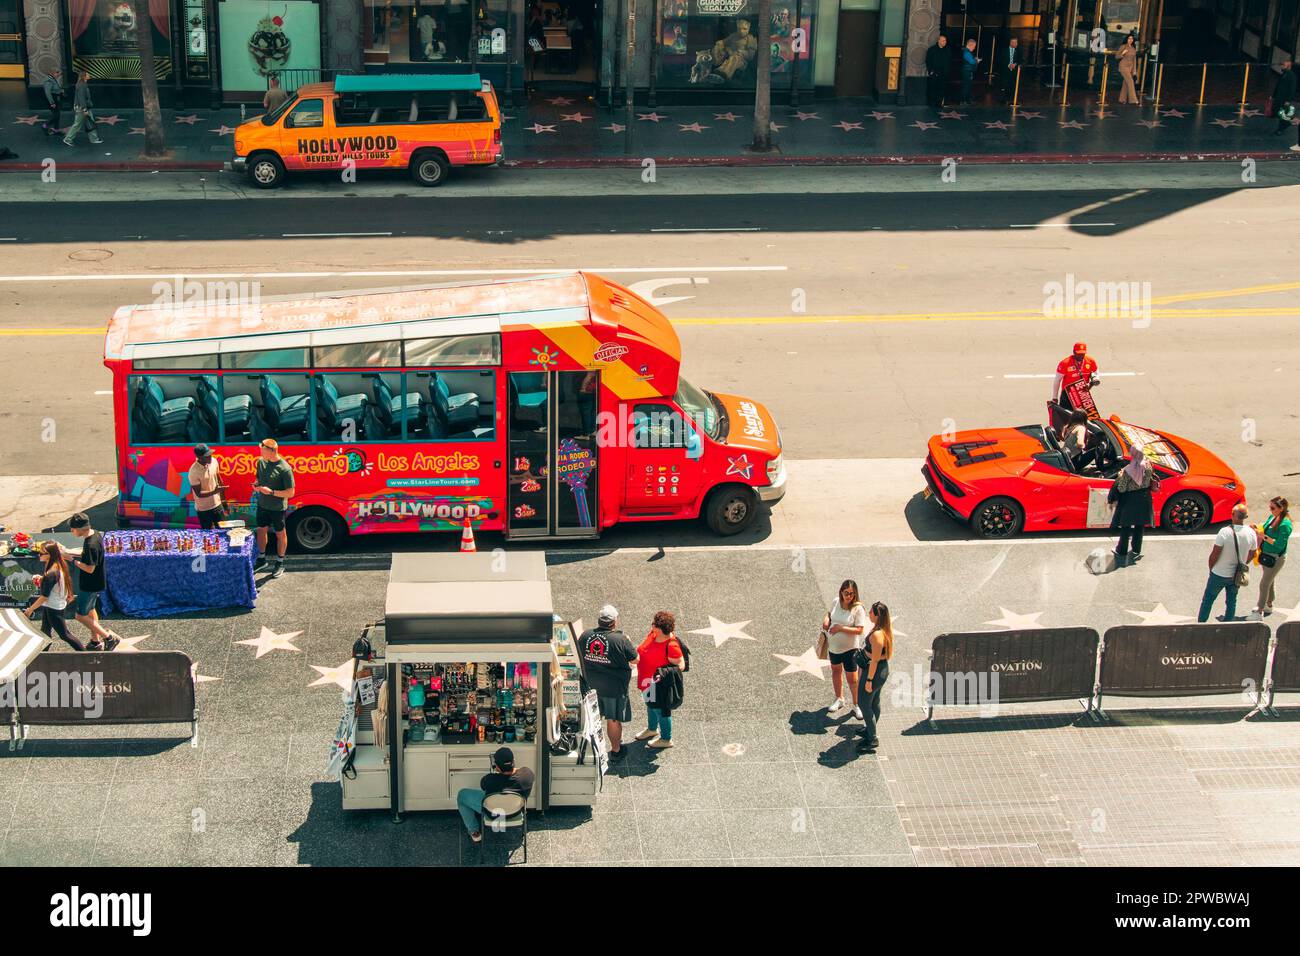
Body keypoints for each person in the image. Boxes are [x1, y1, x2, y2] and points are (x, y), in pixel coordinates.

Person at [577, 605, 637, 761]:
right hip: (614, 687)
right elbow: (635, 659)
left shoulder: (585, 636)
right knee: (613, 720)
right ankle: (616, 750)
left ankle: (590, 752)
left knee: (591, 720)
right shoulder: (620, 639)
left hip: (590, 686)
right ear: (614, 622)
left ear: (599, 621)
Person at [455, 746, 535, 843]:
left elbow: (483, 786)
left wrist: (498, 773)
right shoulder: (528, 774)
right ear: (514, 761)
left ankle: (474, 832)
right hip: (516, 812)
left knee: (462, 795)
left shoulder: (489, 780)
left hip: (493, 813)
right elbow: (518, 771)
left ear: (497, 767)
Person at [634, 611, 685, 750]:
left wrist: (662, 674)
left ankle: (666, 738)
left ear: (661, 628)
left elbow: (681, 665)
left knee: (661, 711)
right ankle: (652, 729)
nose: (652, 625)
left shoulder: (671, 645)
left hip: (658, 685)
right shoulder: (653, 634)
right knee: (650, 705)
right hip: (646, 680)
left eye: (655, 624)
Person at [67, 513, 118, 650]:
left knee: (80, 616)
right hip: (96, 582)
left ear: (80, 528)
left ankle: (109, 638)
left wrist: (72, 560)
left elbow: (89, 568)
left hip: (89, 585)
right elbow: (88, 556)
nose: (71, 532)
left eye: (72, 529)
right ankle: (95, 641)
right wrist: (69, 551)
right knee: (90, 610)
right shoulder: (94, 534)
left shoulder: (91, 544)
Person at [1198, 504, 1257, 623]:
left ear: (1233, 515)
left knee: (1208, 600)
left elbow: (1215, 554)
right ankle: (1228, 625)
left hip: (1219, 573)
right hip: (1236, 575)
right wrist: (1243, 563)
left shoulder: (1224, 532)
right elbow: (1253, 553)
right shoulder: (1251, 533)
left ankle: (1201, 624)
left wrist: (1212, 568)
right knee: (1231, 601)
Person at [26, 543, 84, 651]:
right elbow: (52, 584)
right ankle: (43, 654)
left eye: (41, 553)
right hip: (53, 605)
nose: (39, 555)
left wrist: (30, 609)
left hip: (54, 607)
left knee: (65, 635)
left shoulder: (51, 572)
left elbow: (44, 597)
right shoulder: (56, 566)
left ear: (49, 555)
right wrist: (42, 579)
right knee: (45, 631)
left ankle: (86, 655)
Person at [823, 579, 867, 719]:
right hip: (834, 647)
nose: (849, 596)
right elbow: (829, 614)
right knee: (836, 671)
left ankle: (857, 704)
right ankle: (839, 698)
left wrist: (840, 628)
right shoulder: (836, 601)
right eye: (846, 593)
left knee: (852, 678)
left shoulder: (857, 608)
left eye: (852, 594)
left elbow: (859, 630)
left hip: (850, 649)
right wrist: (826, 620)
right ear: (841, 592)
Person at [1109, 446, 1160, 565]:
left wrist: (1120, 475)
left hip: (1130, 500)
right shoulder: (1148, 466)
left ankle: (1121, 551)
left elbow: (1121, 488)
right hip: (1144, 498)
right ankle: (1136, 549)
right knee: (1139, 526)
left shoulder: (1128, 470)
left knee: (1126, 527)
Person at [253, 438, 294, 579]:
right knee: (261, 530)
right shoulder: (261, 462)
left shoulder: (285, 468)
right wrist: (256, 484)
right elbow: (259, 478)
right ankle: (262, 559)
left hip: (277, 508)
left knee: (280, 534)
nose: (260, 451)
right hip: (262, 505)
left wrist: (271, 492)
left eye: (262, 449)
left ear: (271, 451)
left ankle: (280, 562)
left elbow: (290, 492)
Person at [855, 602, 893, 755]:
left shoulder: (877, 635)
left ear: (877, 616)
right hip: (880, 670)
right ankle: (870, 729)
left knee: (864, 704)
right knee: (874, 701)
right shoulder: (882, 630)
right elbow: (879, 655)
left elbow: (875, 661)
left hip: (874, 672)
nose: (869, 614)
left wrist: (869, 680)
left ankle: (872, 739)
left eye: (871, 612)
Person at [1254, 496, 1292, 617]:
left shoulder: (1285, 525)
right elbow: (1264, 529)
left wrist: (1263, 536)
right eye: (1270, 507)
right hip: (1266, 555)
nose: (1270, 510)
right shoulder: (1273, 517)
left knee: (1264, 584)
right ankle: (1268, 605)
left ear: (1281, 508)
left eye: (1272, 508)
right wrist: (1257, 529)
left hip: (1275, 558)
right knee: (1270, 581)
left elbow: (1279, 545)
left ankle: (1259, 611)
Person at [189, 443, 228, 530]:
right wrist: (215, 491)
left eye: (210, 454)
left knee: (223, 532)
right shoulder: (193, 471)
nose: (210, 456)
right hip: (204, 509)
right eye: (207, 456)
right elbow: (198, 494)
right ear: (199, 457)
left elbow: (219, 479)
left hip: (217, 505)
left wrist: (224, 501)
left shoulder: (214, 461)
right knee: (208, 536)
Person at [1053, 342, 1098, 411]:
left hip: (1083, 394)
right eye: (1078, 353)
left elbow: (1096, 373)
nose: (1080, 356)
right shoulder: (1065, 363)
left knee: (1084, 418)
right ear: (1074, 352)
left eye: (1083, 354)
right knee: (1066, 418)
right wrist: (1055, 397)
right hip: (1068, 395)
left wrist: (1092, 382)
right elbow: (1057, 380)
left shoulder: (1090, 361)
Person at [63, 71, 103, 148]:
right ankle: (68, 139)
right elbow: (81, 99)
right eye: (88, 74)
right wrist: (84, 109)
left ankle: (94, 139)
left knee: (90, 122)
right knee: (77, 124)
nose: (89, 75)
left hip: (84, 107)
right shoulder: (81, 85)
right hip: (82, 108)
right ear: (84, 76)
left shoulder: (83, 84)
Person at [925, 34, 952, 108]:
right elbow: (928, 61)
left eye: (945, 41)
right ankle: (931, 103)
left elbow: (949, 62)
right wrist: (931, 71)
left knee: (941, 89)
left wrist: (947, 72)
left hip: (943, 73)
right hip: (934, 73)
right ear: (939, 41)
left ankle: (939, 103)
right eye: (943, 40)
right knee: (933, 88)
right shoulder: (932, 49)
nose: (945, 42)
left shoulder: (947, 50)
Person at [1272, 58, 1296, 135]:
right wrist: (1273, 95)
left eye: (1284, 65)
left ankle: (1281, 129)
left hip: (1284, 98)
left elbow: (1292, 89)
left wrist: (1288, 100)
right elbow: (1278, 85)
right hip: (1279, 97)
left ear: (1288, 66)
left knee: (1282, 114)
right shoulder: (1283, 74)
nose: (1282, 66)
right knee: (1277, 111)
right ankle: (1288, 121)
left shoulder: (1291, 76)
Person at [1116, 35, 1139, 105]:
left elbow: (1134, 61)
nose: (1130, 40)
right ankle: (1133, 100)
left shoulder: (1133, 48)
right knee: (1131, 82)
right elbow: (1117, 56)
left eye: (1132, 39)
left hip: (1130, 68)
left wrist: (1134, 71)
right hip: (1123, 66)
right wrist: (1122, 53)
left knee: (1126, 83)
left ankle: (1122, 99)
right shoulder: (1123, 46)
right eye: (1129, 38)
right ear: (1126, 39)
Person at [42, 68, 64, 137]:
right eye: (57, 72)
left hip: (56, 99)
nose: (59, 74)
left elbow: (55, 88)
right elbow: (48, 93)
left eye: (59, 72)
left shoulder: (52, 79)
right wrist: (52, 103)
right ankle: (45, 125)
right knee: (56, 115)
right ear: (51, 73)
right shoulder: (48, 81)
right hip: (52, 100)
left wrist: (60, 91)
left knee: (58, 114)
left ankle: (56, 130)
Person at [999, 36, 1020, 102]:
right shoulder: (1004, 50)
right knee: (1005, 84)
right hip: (1005, 71)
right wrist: (1008, 65)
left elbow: (1021, 60)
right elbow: (1000, 60)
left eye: (1016, 42)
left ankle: (1012, 99)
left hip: (1015, 71)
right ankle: (1004, 99)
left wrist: (1015, 64)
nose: (1016, 44)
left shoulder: (1019, 50)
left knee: (1013, 85)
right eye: (1014, 42)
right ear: (1010, 43)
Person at [960, 38, 980, 106]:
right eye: (974, 46)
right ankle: (963, 101)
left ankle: (967, 100)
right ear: (970, 45)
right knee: (966, 86)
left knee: (968, 86)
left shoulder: (967, 52)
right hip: (966, 72)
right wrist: (977, 61)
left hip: (968, 71)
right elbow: (972, 62)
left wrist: (975, 60)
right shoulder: (966, 52)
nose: (974, 48)